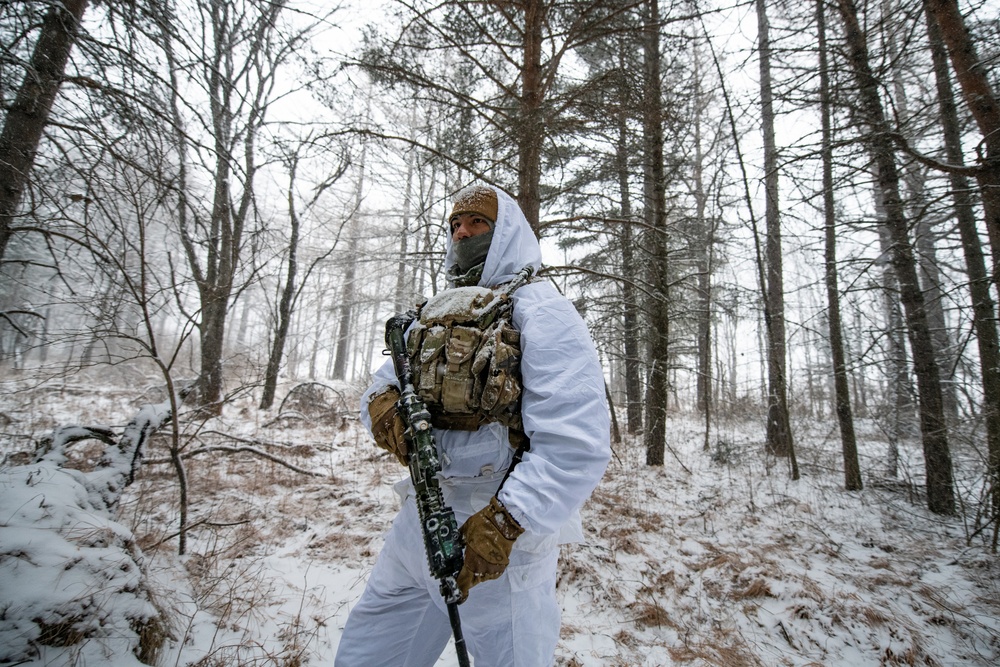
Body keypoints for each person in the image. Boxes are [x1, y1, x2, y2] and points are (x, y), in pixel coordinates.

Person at [334, 184, 611, 667]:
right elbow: (381, 386)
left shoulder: (542, 310)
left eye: (476, 223)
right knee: (369, 652)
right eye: (454, 225)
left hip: (501, 536)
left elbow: (576, 442)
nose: (462, 232)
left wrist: (504, 525)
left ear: (504, 232)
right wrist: (382, 410)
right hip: (421, 517)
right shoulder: (432, 312)